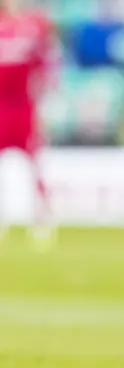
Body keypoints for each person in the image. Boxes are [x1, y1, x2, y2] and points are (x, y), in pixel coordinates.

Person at [0, 0, 57, 244]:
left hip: (24, 105)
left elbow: (44, 67)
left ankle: (42, 218)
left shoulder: (32, 28)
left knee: (35, 164)